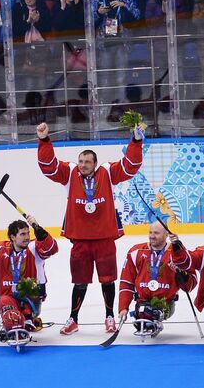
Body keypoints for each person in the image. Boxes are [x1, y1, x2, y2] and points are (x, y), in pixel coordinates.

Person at [36, 118, 145, 335]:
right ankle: (73, 319)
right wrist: (44, 140)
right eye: (81, 161)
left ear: (95, 163)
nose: (83, 165)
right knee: (80, 282)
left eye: (87, 161)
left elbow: (130, 166)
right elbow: (48, 168)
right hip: (80, 240)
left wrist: (135, 140)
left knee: (108, 281)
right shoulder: (69, 173)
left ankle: (109, 317)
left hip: (104, 238)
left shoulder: (107, 172)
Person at [117, 220, 192, 335]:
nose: (152, 236)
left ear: (166, 235)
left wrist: (180, 273)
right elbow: (126, 282)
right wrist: (123, 307)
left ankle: (155, 319)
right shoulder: (136, 251)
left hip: (166, 304)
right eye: (150, 232)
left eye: (156, 233)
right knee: (142, 314)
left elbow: (190, 285)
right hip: (142, 302)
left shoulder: (177, 252)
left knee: (149, 314)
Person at [0, 214, 59, 339]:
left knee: (26, 314)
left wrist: (38, 229)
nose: (27, 237)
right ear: (12, 237)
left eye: (28, 233)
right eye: (22, 234)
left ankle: (26, 319)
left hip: (32, 300)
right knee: (3, 301)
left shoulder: (34, 247)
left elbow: (52, 248)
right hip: (10, 297)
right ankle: (11, 321)